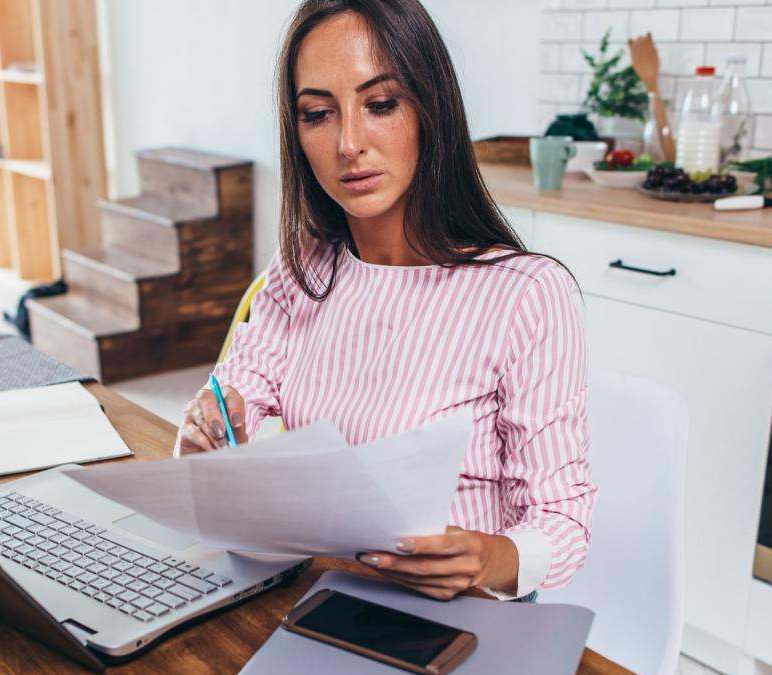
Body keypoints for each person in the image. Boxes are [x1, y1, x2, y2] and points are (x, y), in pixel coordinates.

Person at [176, 0, 595, 602]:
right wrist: (214, 427)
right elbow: (239, 396)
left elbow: (564, 523)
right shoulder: (306, 261)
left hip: (454, 620)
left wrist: (486, 558)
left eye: (380, 104)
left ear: (431, 108)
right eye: (318, 113)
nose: (350, 143)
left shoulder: (526, 294)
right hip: (312, 589)